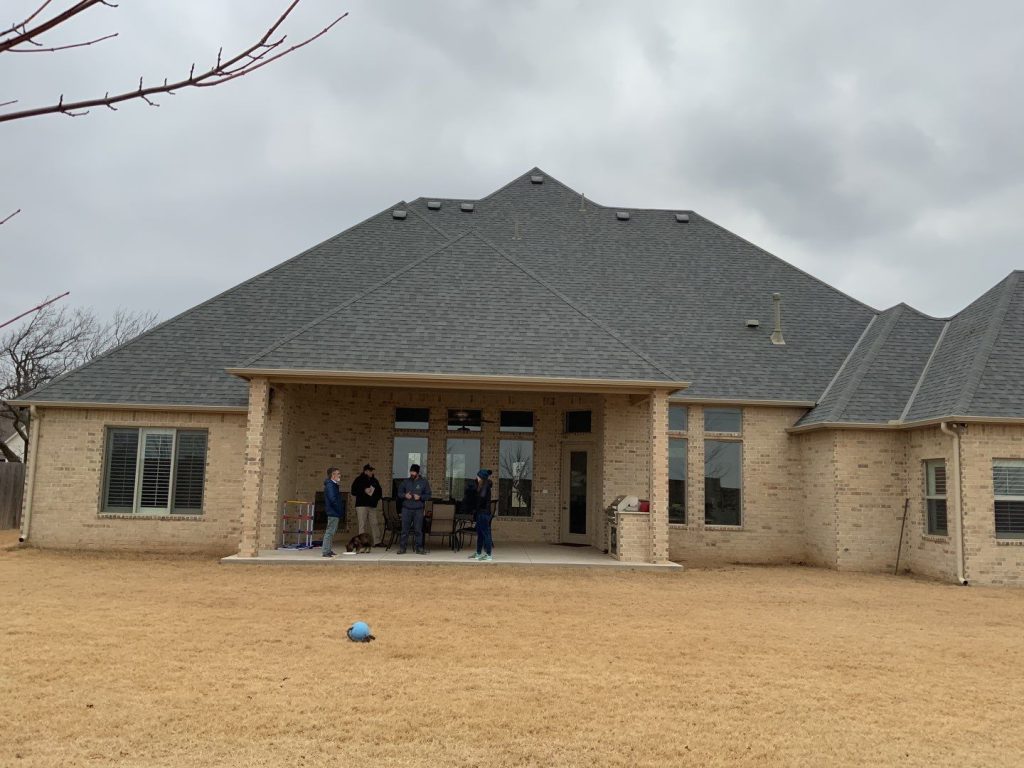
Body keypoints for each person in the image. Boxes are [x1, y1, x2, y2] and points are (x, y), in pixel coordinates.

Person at [397, 463, 431, 555]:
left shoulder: (424, 482)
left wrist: (420, 497)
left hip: (418, 510)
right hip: (406, 509)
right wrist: (405, 495)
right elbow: (399, 493)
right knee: (404, 530)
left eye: (413, 472)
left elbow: (428, 495)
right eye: (411, 472)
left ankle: (419, 548)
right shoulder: (405, 482)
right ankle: (402, 548)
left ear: (418, 473)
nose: (411, 473)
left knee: (418, 530)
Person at [350, 464, 383, 546]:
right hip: (361, 505)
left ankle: (377, 542)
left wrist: (376, 499)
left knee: (374, 523)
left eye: (372, 470)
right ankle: (362, 542)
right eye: (370, 470)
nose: (372, 472)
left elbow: (379, 491)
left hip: (372, 505)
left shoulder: (374, 481)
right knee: (362, 524)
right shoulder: (358, 480)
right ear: (365, 471)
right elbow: (353, 491)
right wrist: (364, 490)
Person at [469, 469, 494, 561]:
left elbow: (481, 498)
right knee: (480, 533)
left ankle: (488, 554)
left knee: (486, 533)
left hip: (484, 513)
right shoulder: (483, 485)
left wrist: (476, 504)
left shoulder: (485, 486)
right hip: (481, 513)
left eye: (478, 476)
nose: (477, 478)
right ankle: (478, 553)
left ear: (482, 477)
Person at [322, 466, 345, 557]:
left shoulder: (333, 484)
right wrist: (339, 509)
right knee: (330, 531)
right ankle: (326, 551)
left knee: (332, 531)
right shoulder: (330, 485)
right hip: (333, 511)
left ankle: (328, 550)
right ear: (333, 475)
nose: (340, 475)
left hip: (334, 511)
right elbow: (333, 499)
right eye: (338, 473)